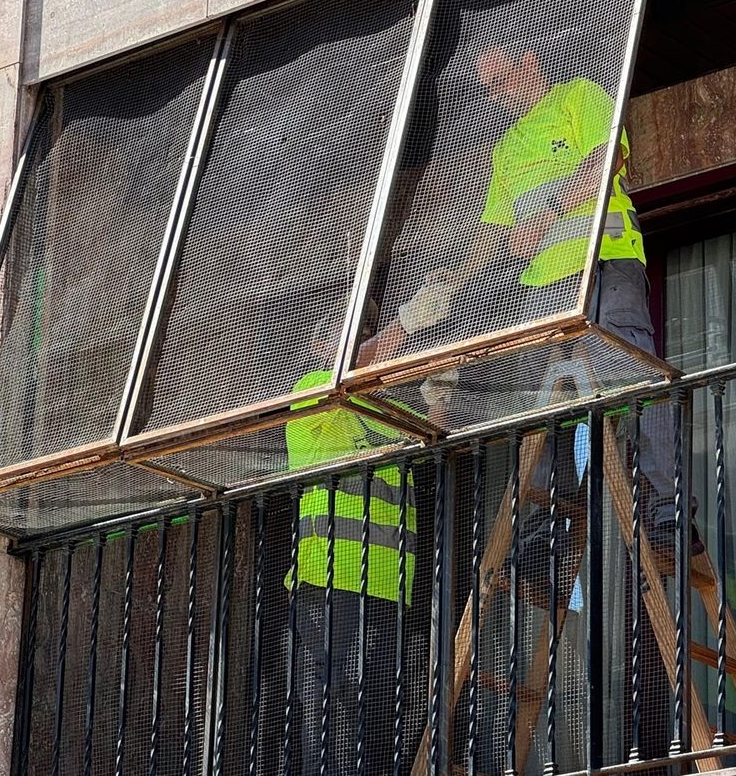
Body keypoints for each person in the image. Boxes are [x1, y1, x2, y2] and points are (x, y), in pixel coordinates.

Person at [371, 41, 699, 562]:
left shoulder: (578, 97)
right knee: (548, 400)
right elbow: (488, 245)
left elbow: (608, 156)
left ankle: (666, 504)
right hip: (546, 289)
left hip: (605, 261)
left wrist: (545, 210)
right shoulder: (506, 149)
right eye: (489, 89)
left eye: (500, 81)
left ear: (528, 60)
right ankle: (546, 525)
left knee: (636, 375)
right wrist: (409, 320)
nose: (497, 95)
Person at [286, 317, 417, 776]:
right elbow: (349, 373)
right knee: (328, 695)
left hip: (388, 587)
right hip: (329, 577)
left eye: (370, 332)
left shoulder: (392, 406)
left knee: (380, 704)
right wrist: (409, 321)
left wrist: (441, 395)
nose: (369, 343)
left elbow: (434, 435)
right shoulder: (314, 391)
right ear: (323, 344)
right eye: (357, 334)